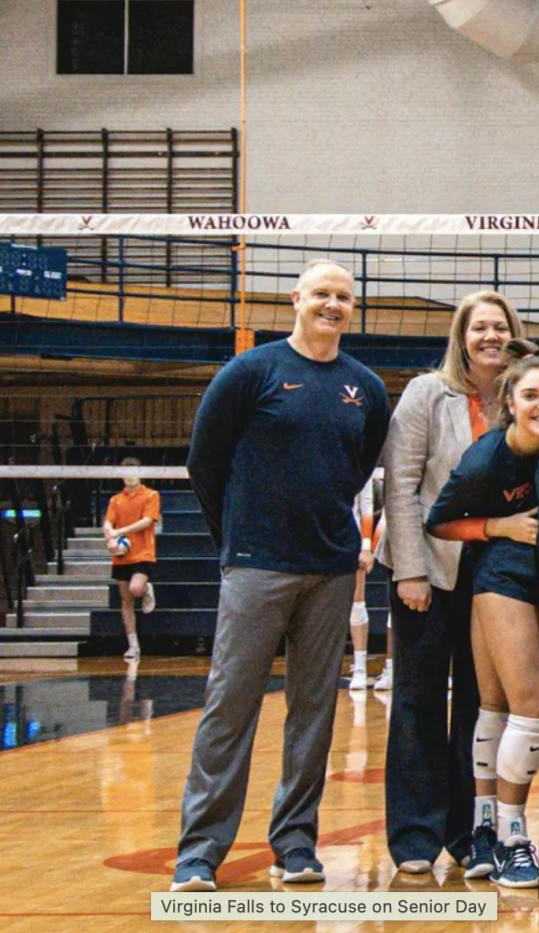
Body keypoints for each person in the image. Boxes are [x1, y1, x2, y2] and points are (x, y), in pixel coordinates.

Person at [172, 259, 389, 892]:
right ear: (296, 298)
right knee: (229, 707)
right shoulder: (251, 371)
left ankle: (295, 844)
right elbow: (204, 464)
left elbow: (357, 466)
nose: (332, 305)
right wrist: (237, 540)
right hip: (256, 565)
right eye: (321, 293)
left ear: (354, 308)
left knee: (313, 714)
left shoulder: (366, 387)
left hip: (328, 569)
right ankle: (200, 853)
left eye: (343, 297)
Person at [378, 289, 523, 876]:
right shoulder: (426, 394)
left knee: (480, 705)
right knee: (415, 700)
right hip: (430, 572)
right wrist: (409, 569)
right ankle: (414, 834)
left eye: (499, 328)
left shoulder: (523, 396)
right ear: (461, 337)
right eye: (478, 328)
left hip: (493, 577)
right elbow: (401, 484)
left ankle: (469, 833)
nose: (490, 337)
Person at [426, 340, 539, 888]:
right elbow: (439, 522)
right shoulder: (487, 456)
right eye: (531, 395)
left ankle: (484, 829)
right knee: (527, 706)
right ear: (510, 401)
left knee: (495, 706)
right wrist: (497, 526)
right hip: (500, 579)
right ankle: (514, 838)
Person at [103, 458, 159, 662]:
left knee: (135, 589)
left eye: (133, 471)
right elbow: (108, 523)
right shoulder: (115, 500)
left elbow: (146, 521)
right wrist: (110, 536)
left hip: (143, 553)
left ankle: (146, 590)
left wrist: (121, 531)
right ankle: (133, 646)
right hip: (121, 556)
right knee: (126, 600)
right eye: (125, 472)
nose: (129, 476)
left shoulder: (151, 495)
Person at [345, 488, 380, 691]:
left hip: (352, 537)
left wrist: (366, 546)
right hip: (321, 540)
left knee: (358, 601)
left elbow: (366, 505)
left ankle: (360, 669)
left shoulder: (355, 458)